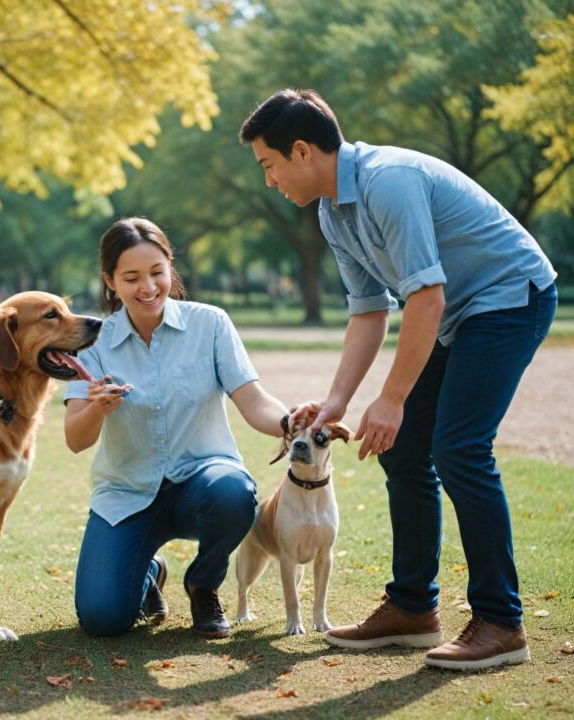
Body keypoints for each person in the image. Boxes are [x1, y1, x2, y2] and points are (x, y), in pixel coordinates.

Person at [239, 89, 557, 670]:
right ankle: (413, 608)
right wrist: (335, 403)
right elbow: (368, 311)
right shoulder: (334, 212)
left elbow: (426, 298)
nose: (269, 180)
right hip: (459, 311)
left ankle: (501, 622)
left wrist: (392, 397)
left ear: (303, 151)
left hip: (511, 297)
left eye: (269, 164)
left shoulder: (389, 181)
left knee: (459, 447)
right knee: (406, 449)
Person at [63, 217, 292, 639]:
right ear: (110, 282)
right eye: (131, 278)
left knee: (234, 493)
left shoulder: (211, 324)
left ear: (170, 267)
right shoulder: (92, 342)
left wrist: (289, 422)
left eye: (156, 272)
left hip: (202, 485)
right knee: (102, 619)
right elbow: (76, 439)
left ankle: (203, 584)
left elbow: (253, 400)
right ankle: (149, 572)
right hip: (127, 494)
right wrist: (95, 408)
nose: (148, 287)